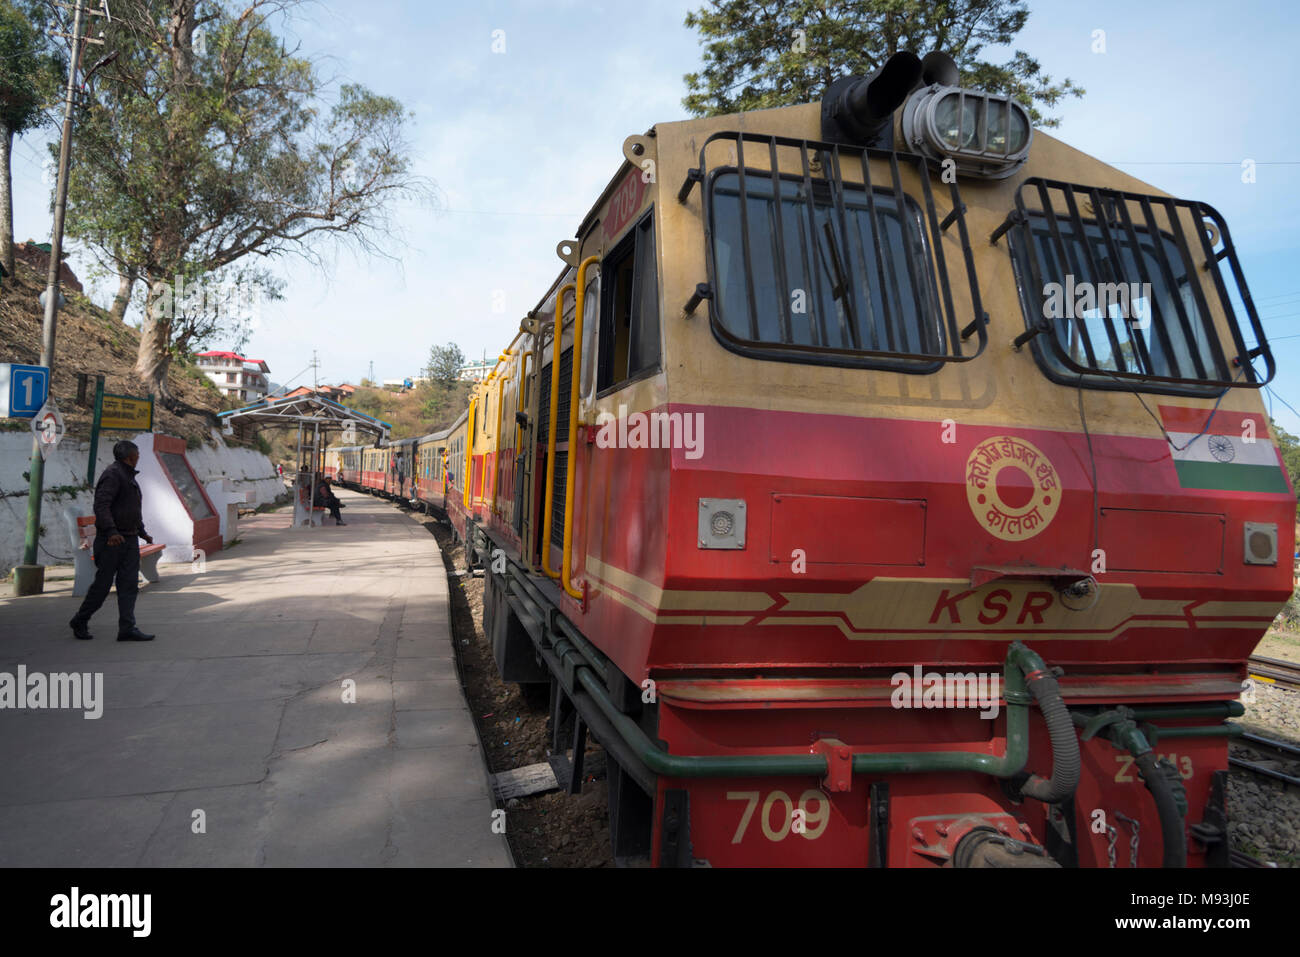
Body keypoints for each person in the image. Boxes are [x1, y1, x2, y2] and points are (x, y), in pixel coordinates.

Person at [69, 440, 156, 641]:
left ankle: (127, 628)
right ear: (129, 457)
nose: (139, 457)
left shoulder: (128, 475)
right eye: (137, 454)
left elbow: (131, 508)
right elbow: (102, 506)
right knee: (103, 586)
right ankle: (80, 619)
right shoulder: (113, 475)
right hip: (112, 542)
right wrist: (111, 531)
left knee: (128, 585)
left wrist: (141, 531)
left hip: (129, 538)